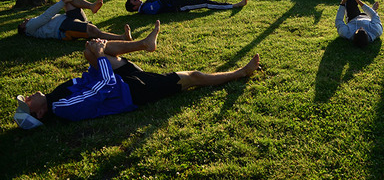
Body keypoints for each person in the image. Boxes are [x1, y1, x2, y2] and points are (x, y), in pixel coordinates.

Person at [14, 21, 261, 129]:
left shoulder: (54, 96)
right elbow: (103, 86)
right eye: (27, 103)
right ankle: (241, 72)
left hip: (118, 82)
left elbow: (91, 82)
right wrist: (100, 58)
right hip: (131, 91)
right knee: (192, 77)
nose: (27, 97)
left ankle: (144, 43)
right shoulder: (63, 108)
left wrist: (94, 55)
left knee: (90, 46)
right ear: (39, 113)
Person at [18, 0, 132, 41]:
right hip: (64, 29)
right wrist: (62, 2)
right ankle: (122, 38)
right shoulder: (30, 28)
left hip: (68, 19)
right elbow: (46, 16)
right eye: (23, 22)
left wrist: (65, 1)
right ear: (23, 29)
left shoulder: (31, 25)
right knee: (92, 30)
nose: (25, 20)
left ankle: (91, 6)